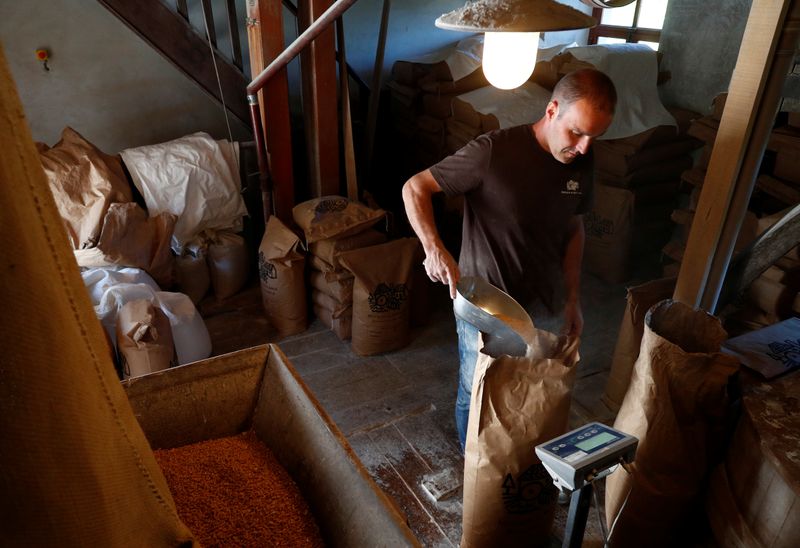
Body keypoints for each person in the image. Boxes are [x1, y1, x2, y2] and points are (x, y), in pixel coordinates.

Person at [402, 68, 617, 452]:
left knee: (531, 389)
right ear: (552, 110)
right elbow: (415, 187)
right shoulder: (493, 152)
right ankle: (475, 466)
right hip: (486, 308)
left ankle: (512, 463)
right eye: (577, 132)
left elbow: (574, 229)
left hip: (545, 307)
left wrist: (572, 297)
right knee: (478, 389)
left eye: (594, 137)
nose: (584, 147)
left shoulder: (583, 160)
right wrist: (434, 248)